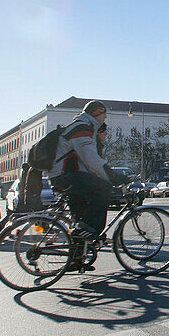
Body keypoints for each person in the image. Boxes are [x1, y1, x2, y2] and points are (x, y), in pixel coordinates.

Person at [49, 101, 128, 240]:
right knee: (103, 188)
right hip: (65, 175)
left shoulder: (86, 127)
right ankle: (89, 230)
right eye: (104, 114)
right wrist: (111, 175)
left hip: (66, 175)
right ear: (96, 113)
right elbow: (91, 158)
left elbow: (87, 161)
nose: (105, 118)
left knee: (82, 214)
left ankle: (78, 253)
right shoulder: (82, 128)